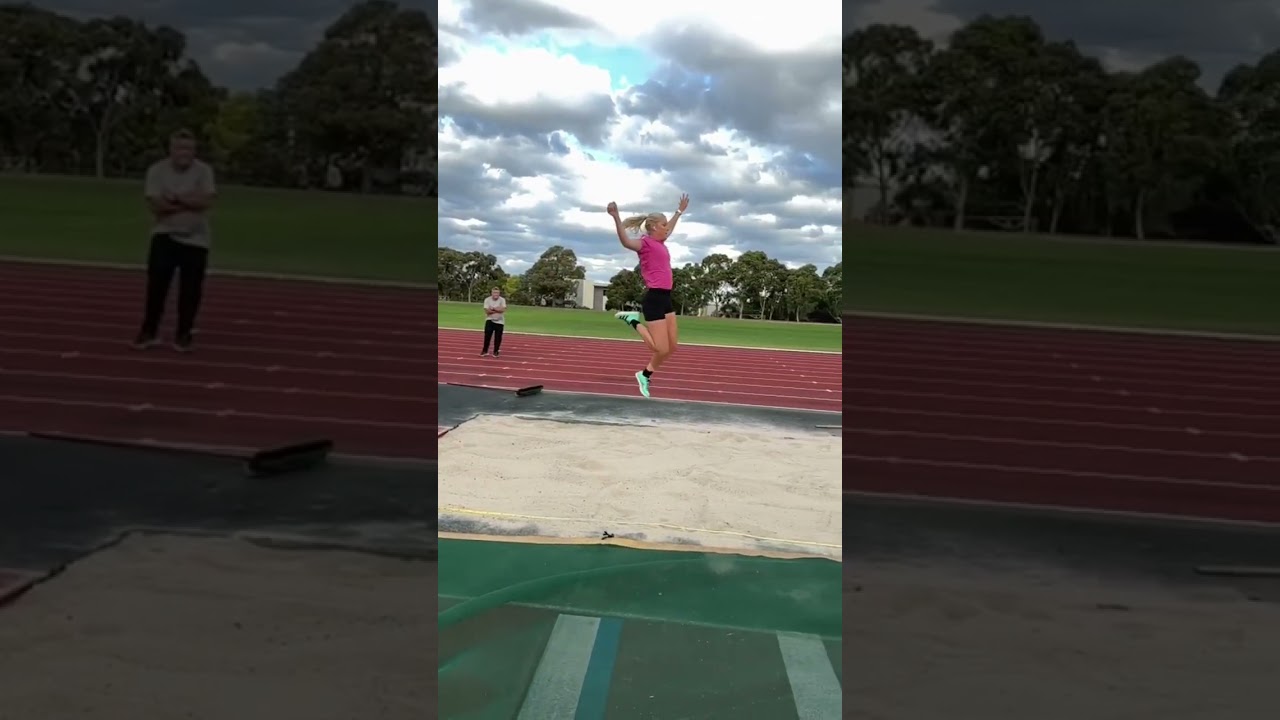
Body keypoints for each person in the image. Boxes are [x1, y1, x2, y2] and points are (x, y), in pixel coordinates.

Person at [132, 128, 217, 353]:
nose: (184, 153)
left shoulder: (204, 171)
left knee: (191, 291)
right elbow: (156, 205)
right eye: (180, 148)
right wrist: (189, 201)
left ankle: (184, 333)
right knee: (156, 288)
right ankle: (149, 331)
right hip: (164, 235)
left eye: (188, 148)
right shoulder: (156, 171)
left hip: (197, 240)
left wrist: (176, 198)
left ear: (194, 151)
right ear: (171, 150)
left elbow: (206, 201)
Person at [606, 194, 689, 397]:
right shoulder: (645, 244)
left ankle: (644, 375)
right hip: (654, 299)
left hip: (666, 298)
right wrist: (616, 217)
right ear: (653, 227)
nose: (667, 228)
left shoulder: (661, 242)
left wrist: (679, 212)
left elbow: (670, 227)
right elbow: (626, 241)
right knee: (660, 349)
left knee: (671, 347)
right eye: (663, 225)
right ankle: (633, 321)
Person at [481, 287, 507, 357]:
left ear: (499, 293)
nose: (496, 294)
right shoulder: (487, 300)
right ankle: (485, 351)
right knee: (487, 337)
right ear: (491, 293)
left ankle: (496, 351)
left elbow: (503, 309)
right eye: (494, 292)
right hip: (489, 320)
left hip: (500, 321)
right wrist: (497, 309)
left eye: (497, 293)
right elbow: (487, 311)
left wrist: (493, 308)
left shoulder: (502, 300)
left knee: (498, 338)